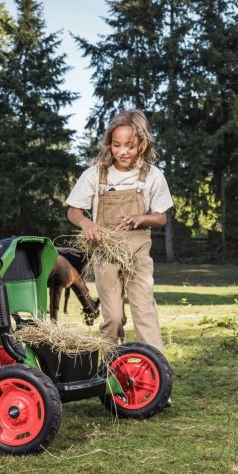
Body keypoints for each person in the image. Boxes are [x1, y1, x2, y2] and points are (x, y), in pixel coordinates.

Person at [66, 109, 173, 353]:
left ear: (142, 144)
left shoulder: (152, 175)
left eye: (130, 146)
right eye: (117, 145)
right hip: (106, 251)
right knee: (113, 317)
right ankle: (110, 367)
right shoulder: (96, 174)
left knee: (144, 310)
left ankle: (157, 368)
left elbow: (161, 217)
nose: (122, 151)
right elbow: (74, 211)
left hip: (138, 252)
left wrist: (141, 217)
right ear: (109, 144)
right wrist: (87, 224)